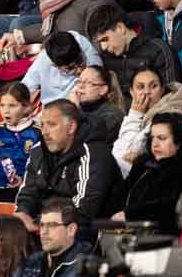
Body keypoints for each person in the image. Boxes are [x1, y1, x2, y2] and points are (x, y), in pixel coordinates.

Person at [15, 99, 121, 236]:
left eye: (52, 125)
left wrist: (42, 224)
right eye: (42, 125)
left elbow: (83, 210)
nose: (44, 132)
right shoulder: (38, 150)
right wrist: (23, 213)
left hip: (87, 230)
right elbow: (28, 192)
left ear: (71, 127)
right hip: (47, 224)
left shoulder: (94, 154)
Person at [118, 112, 182, 235]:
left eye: (162, 138)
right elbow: (121, 193)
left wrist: (130, 216)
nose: (155, 144)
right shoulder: (144, 164)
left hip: (164, 240)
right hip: (130, 233)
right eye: (152, 138)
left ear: (179, 142)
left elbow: (172, 208)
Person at [111, 66, 182, 175]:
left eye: (153, 86)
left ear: (162, 89)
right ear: (131, 92)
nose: (147, 92)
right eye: (140, 87)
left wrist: (135, 114)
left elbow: (124, 154)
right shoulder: (148, 112)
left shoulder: (172, 115)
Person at [87, 6, 179, 99]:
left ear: (120, 28)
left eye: (105, 39)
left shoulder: (159, 51)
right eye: (100, 42)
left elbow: (172, 99)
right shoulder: (106, 58)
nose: (103, 47)